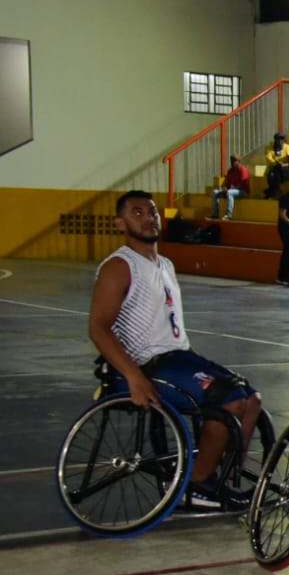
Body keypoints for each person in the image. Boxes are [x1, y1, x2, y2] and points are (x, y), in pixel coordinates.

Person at [88, 190, 263, 509]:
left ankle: (220, 478)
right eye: (137, 213)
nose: (149, 218)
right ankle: (196, 485)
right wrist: (134, 377)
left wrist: (197, 363)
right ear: (120, 222)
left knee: (251, 400)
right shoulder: (120, 266)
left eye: (152, 212)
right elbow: (98, 327)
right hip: (146, 364)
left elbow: (172, 327)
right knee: (231, 400)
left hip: (177, 358)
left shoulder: (165, 264)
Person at [211, 154, 250, 219]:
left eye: (235, 161)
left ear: (239, 161)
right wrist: (223, 188)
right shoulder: (230, 171)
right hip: (231, 190)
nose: (233, 162)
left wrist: (231, 188)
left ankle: (229, 215)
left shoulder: (243, 170)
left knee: (230, 192)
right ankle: (215, 214)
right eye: (231, 160)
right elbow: (227, 183)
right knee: (215, 192)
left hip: (243, 191)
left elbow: (243, 184)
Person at [265, 132, 289, 197]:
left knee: (276, 173)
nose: (280, 140)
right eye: (278, 138)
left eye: (281, 138)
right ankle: (274, 191)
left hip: (285, 168)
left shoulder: (288, 147)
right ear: (275, 140)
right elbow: (268, 157)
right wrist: (276, 163)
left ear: (284, 139)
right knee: (271, 175)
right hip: (275, 167)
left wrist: (284, 164)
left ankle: (272, 191)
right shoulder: (270, 147)